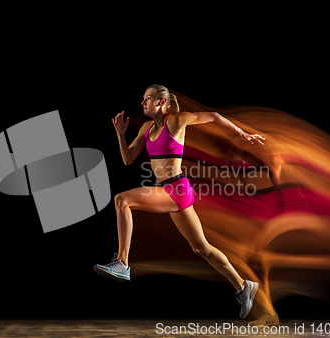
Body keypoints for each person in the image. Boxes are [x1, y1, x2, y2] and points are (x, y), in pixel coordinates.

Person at [94, 84, 266, 318]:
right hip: (168, 190)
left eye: (147, 99)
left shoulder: (176, 121)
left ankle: (122, 263)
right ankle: (243, 286)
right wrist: (120, 134)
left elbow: (214, 117)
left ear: (161, 102)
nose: (142, 103)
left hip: (177, 188)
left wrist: (242, 133)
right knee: (201, 248)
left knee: (122, 200)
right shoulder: (146, 128)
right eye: (143, 99)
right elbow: (128, 159)